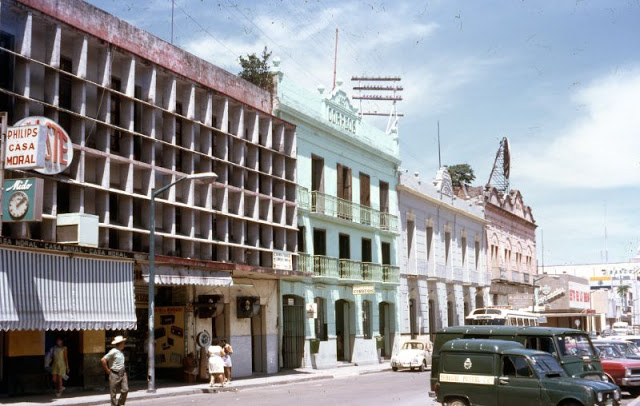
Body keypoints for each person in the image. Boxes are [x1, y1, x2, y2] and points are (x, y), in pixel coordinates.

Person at [101, 336, 128, 406]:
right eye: (123, 343)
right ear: (120, 343)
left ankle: (120, 404)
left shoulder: (121, 352)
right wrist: (107, 370)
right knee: (113, 393)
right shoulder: (113, 351)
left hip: (123, 373)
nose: (124, 344)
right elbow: (103, 360)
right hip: (114, 373)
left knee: (125, 390)